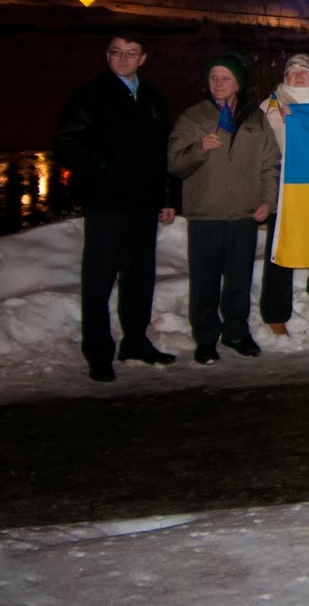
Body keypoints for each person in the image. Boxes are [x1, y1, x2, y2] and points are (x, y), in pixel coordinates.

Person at [55, 32, 179, 382]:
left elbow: (162, 154)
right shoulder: (90, 96)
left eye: (131, 53)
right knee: (99, 279)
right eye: (116, 52)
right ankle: (98, 352)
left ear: (143, 58)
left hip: (143, 205)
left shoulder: (152, 98)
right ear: (107, 56)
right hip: (107, 204)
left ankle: (135, 341)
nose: (123, 58)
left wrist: (167, 196)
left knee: (139, 277)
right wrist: (103, 171)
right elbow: (68, 144)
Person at [167, 54, 281, 364]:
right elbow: (175, 163)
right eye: (214, 78)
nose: (218, 83)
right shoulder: (194, 117)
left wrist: (267, 200)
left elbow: (270, 164)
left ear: (237, 83)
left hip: (244, 213)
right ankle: (205, 337)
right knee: (204, 281)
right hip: (207, 212)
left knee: (239, 281)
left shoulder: (255, 118)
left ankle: (236, 331)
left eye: (225, 78)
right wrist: (199, 148)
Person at [258, 53, 309, 336]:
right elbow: (259, 149)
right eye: (293, 71)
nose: (298, 76)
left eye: (304, 72)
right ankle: (275, 312)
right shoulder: (270, 105)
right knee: (279, 251)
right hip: (284, 190)